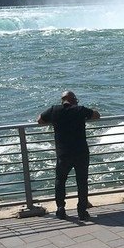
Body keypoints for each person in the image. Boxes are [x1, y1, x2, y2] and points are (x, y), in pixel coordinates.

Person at [38, 91, 100, 221]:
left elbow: (40, 120)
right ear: (73, 99)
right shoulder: (80, 110)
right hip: (81, 152)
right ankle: (82, 211)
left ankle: (61, 208)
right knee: (82, 181)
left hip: (63, 153)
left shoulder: (54, 110)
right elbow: (96, 115)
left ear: (62, 100)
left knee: (60, 181)